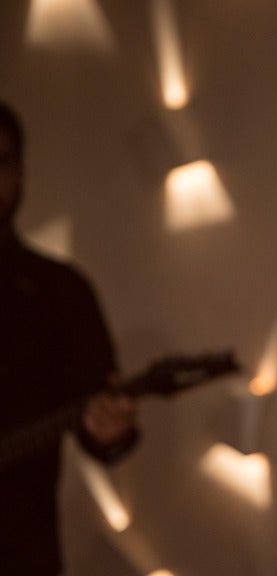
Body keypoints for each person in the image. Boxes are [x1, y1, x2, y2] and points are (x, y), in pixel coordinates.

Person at [0, 100, 138, 575]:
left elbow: (103, 426)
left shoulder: (60, 291)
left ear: (21, 172)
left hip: (23, 554)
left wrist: (113, 431)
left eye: (2, 161)